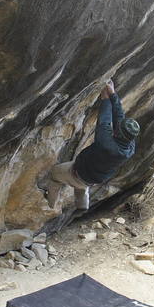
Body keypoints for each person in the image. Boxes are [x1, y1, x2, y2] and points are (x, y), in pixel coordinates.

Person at [45, 80, 140, 214]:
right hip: (95, 178)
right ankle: (82, 206)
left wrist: (105, 100)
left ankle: (50, 205)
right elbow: (119, 117)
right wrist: (113, 94)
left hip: (78, 172)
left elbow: (104, 122)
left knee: (55, 173)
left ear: (118, 133)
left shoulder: (107, 144)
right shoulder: (130, 147)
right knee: (83, 186)